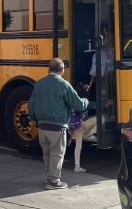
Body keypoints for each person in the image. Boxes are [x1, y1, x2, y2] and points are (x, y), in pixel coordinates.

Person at [27, 58, 88, 190]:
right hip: (57, 127)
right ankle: (53, 181)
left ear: (48, 70)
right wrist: (86, 101)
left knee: (47, 154)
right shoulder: (63, 84)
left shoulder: (39, 84)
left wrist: (35, 119)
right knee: (57, 154)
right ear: (62, 70)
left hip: (42, 127)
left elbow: (30, 106)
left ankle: (50, 177)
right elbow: (78, 104)